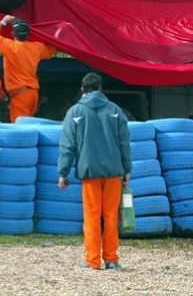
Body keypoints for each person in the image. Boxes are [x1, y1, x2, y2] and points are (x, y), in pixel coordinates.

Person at [58, 73, 132, 270]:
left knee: (91, 215)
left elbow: (67, 145)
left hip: (89, 172)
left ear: (82, 90)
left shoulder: (75, 112)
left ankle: (92, 260)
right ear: (100, 88)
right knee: (110, 216)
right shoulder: (116, 110)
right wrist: (127, 169)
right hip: (114, 173)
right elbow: (124, 142)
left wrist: (63, 172)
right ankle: (111, 259)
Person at [0, 15, 57, 123]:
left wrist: (4, 21)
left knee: (20, 128)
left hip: (20, 95)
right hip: (33, 93)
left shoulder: (10, 47)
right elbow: (50, 50)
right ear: (28, 34)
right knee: (28, 125)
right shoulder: (36, 48)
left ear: (13, 34)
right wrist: (53, 33)